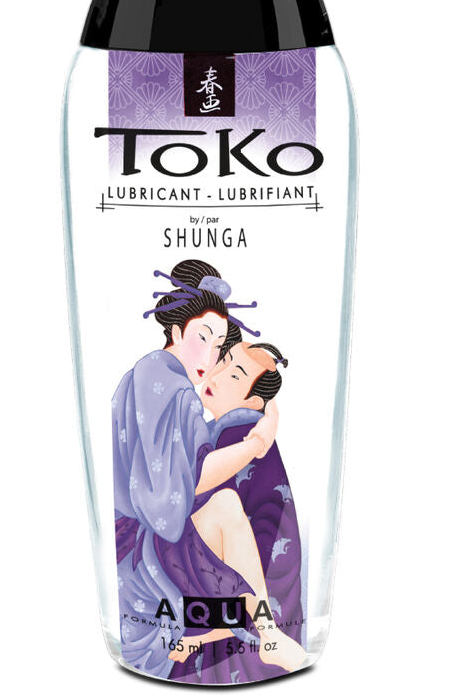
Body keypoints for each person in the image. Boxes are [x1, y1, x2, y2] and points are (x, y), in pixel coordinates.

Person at [113, 260, 281, 678]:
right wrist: (255, 443)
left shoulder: (155, 374)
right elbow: (182, 485)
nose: (210, 355)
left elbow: (179, 467)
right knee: (225, 506)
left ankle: (263, 633)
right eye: (202, 337)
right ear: (176, 331)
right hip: (142, 551)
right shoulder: (169, 385)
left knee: (227, 506)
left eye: (219, 344)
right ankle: (269, 634)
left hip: (138, 537)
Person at [162, 340, 307, 683]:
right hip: (221, 575)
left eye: (235, 375)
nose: (217, 374)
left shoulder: (238, 435)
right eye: (223, 361)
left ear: (253, 402)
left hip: (240, 585)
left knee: (223, 504)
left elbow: (193, 491)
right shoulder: (232, 431)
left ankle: (262, 633)